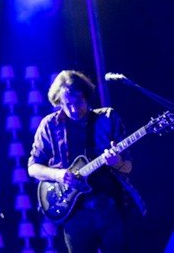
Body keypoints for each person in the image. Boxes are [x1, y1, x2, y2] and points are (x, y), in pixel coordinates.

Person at [28, 70, 144, 253]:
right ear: (59, 102)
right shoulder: (49, 125)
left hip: (109, 208)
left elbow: (128, 167)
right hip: (74, 215)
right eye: (68, 104)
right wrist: (58, 175)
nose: (74, 109)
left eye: (78, 102)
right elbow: (33, 167)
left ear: (86, 96)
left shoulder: (107, 118)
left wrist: (117, 162)